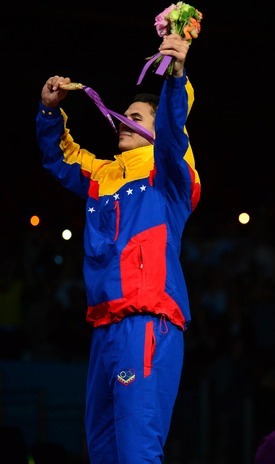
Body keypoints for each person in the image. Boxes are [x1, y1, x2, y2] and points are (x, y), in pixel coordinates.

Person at [35, 33, 200, 463]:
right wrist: (50, 111)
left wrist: (176, 75)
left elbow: (172, 132)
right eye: (123, 116)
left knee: (136, 451)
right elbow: (58, 156)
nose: (124, 122)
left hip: (146, 322)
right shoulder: (103, 175)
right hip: (105, 325)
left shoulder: (169, 174)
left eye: (136, 117)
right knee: (103, 450)